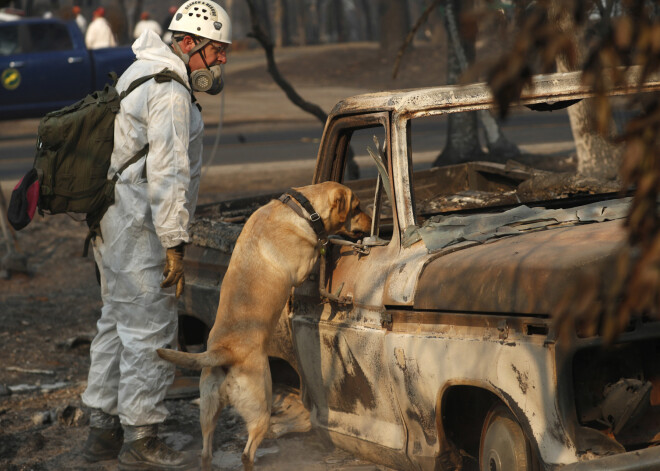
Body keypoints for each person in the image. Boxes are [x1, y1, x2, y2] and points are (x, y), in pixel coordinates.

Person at [80, 1, 231, 469]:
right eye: (215, 51)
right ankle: (141, 438)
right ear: (188, 44)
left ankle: (102, 431)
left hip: (114, 220)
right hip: (140, 227)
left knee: (116, 324)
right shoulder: (168, 92)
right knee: (151, 330)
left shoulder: (141, 70)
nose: (221, 61)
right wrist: (174, 245)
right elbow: (168, 175)